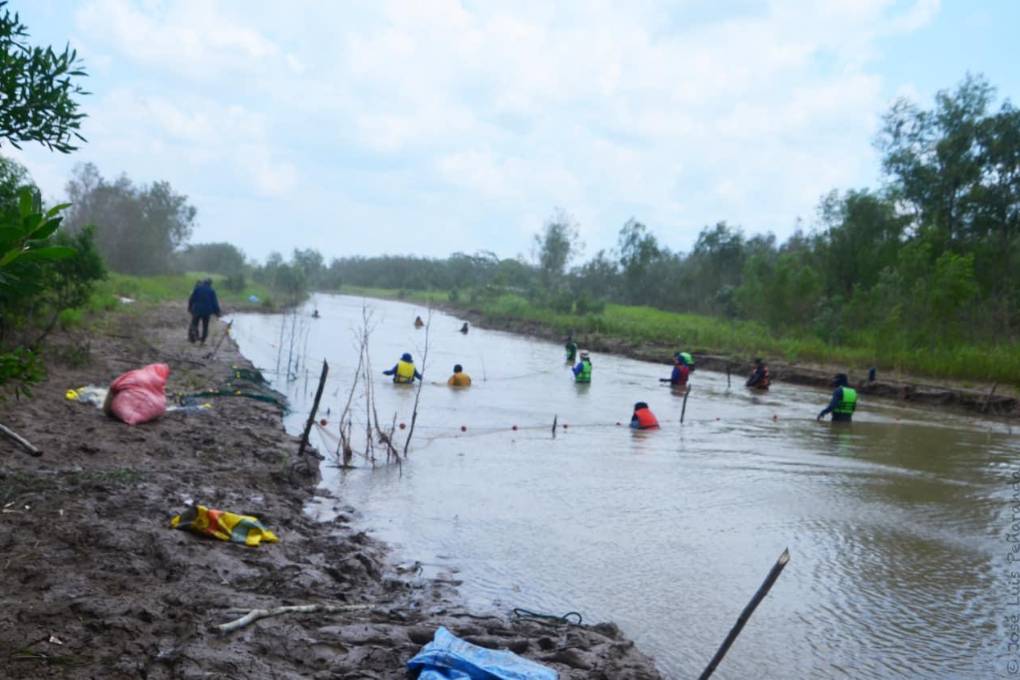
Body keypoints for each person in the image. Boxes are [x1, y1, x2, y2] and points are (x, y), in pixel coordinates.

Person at [187, 278, 221, 344]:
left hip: (197, 310)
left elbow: (191, 299)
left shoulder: (197, 289)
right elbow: (214, 303)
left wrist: (189, 308)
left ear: (204, 282)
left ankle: (194, 338)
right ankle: (203, 340)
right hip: (207, 311)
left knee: (194, 324)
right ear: (210, 284)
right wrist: (217, 312)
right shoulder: (211, 291)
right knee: (205, 326)